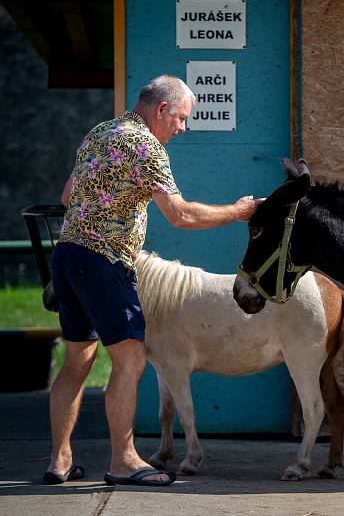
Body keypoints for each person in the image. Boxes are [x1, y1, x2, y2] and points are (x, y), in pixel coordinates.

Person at [44, 75, 262, 487]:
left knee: (77, 361)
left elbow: (68, 196)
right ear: (161, 109)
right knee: (131, 358)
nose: (183, 127)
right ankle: (124, 460)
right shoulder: (146, 146)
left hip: (68, 256)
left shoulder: (101, 131)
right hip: (105, 262)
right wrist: (237, 211)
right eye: (181, 118)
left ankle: (59, 460)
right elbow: (181, 215)